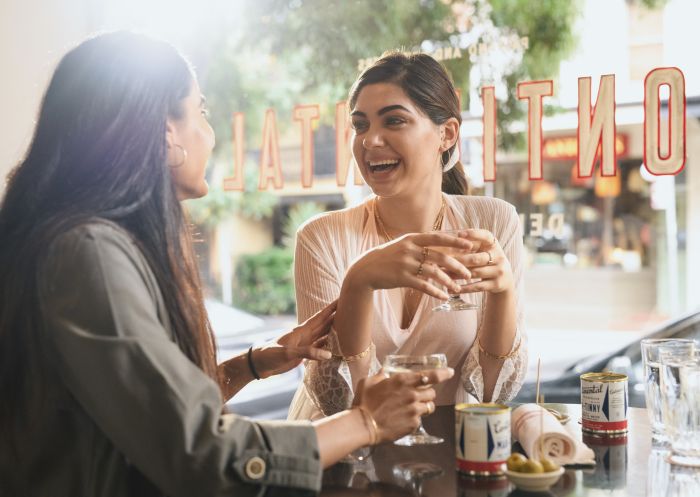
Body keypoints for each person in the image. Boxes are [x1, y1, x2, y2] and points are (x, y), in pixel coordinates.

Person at [0, 33, 453, 497]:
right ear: (165, 131)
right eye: (200, 111)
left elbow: (151, 413)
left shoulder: (90, 243)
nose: (209, 134)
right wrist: (366, 421)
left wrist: (254, 364)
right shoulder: (88, 254)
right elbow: (200, 452)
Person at [289, 52, 527, 421]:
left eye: (394, 121)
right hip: (347, 458)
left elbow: (494, 392)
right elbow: (337, 399)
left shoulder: (493, 222)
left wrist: (503, 294)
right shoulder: (322, 238)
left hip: (454, 452)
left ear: (446, 134)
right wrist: (359, 282)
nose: (370, 141)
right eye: (361, 126)